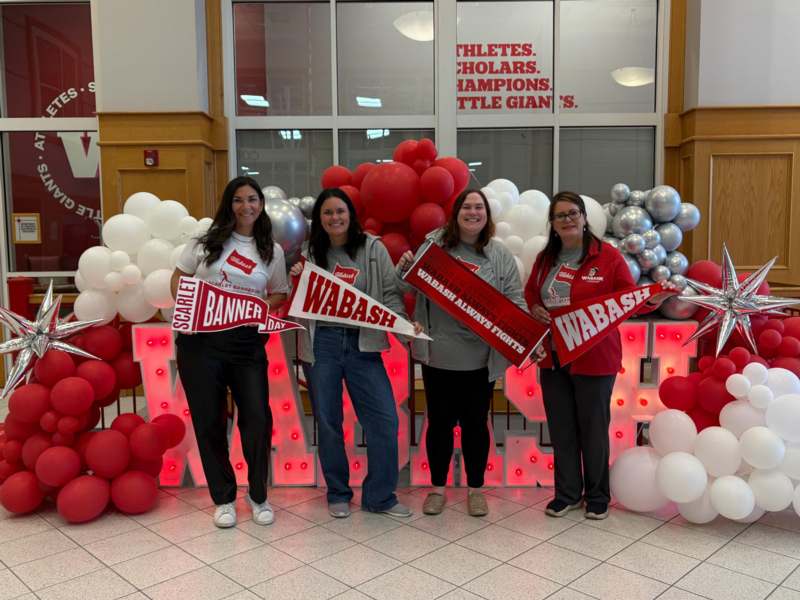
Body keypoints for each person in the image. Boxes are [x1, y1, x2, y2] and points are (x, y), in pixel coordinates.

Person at [525, 191, 674, 520]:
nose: (567, 219)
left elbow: (626, 299)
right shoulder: (544, 259)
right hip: (554, 355)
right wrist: (534, 307)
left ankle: (597, 495)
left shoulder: (607, 256)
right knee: (562, 429)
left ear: (583, 217)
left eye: (573, 213)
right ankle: (566, 494)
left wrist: (653, 299)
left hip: (594, 357)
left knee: (593, 429)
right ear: (551, 223)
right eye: (560, 215)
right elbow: (531, 293)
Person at [397, 188, 526, 517]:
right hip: (438, 356)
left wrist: (526, 336)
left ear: (487, 215)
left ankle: (476, 489)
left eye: (479, 207)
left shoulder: (498, 256)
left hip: (481, 361)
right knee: (439, 424)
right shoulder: (435, 247)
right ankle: (437, 488)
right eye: (466, 207)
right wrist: (404, 268)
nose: (473, 213)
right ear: (456, 214)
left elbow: (515, 299)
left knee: (475, 425)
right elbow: (406, 286)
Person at [290, 188, 416, 519]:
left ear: (351, 215)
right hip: (322, 345)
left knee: (384, 421)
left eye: (340, 211)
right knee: (329, 422)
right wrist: (294, 283)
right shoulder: (308, 254)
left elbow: (389, 294)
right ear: (319, 219)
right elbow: (294, 303)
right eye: (328, 213)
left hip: (364, 345)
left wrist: (402, 326)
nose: (335, 218)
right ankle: (338, 492)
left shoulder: (373, 248)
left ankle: (380, 496)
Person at [170, 176, 288, 528]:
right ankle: (223, 498)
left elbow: (279, 293)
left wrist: (254, 308)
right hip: (200, 342)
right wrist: (194, 304)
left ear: (261, 205)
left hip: (245, 343)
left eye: (252, 199)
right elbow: (179, 278)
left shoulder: (272, 250)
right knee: (209, 421)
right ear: (228, 204)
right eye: (238, 200)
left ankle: (258, 495)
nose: (246, 206)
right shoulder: (204, 241)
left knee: (256, 419)